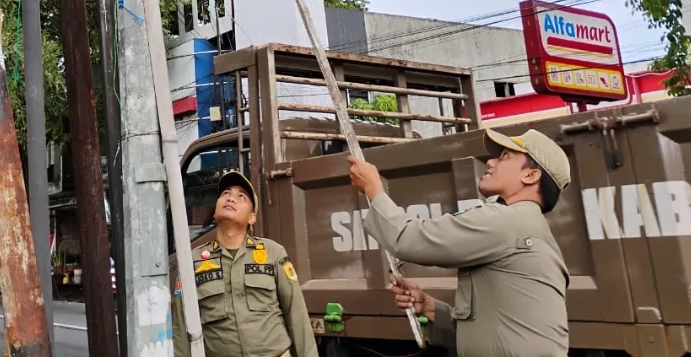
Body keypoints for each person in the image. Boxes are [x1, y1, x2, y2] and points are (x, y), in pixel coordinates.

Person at [347, 127, 572, 357]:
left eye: (505, 156)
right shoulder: (529, 227)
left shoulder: (506, 221)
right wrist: (429, 307)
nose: (491, 162)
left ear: (531, 176)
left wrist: (373, 188)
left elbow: (407, 238)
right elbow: (493, 331)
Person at [171, 169, 319, 357]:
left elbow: (296, 314)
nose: (231, 198)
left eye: (241, 196)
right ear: (215, 212)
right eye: (226, 194)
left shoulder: (273, 253)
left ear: (252, 217)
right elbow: (180, 327)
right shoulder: (193, 261)